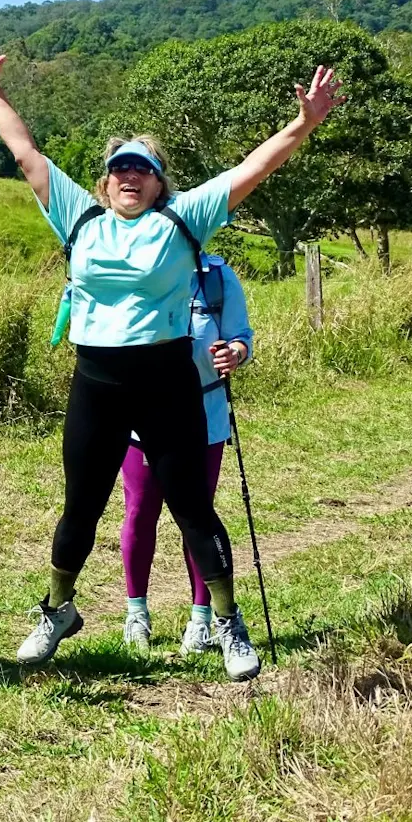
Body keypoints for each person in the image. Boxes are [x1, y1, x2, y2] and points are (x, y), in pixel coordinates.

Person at [0, 33, 342, 683]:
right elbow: (25, 152)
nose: (128, 176)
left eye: (141, 168)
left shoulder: (182, 220)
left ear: (160, 182)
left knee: (193, 507)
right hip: (97, 384)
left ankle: (226, 621)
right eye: (119, 169)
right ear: (104, 181)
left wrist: (302, 125)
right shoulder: (78, 217)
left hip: (168, 383)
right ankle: (56, 609)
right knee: (80, 507)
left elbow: (254, 168)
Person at [119, 248, 254, 654]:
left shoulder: (218, 277)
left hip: (205, 416)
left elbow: (241, 338)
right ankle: (136, 615)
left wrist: (235, 354)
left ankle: (201, 620)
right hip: (141, 417)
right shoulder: (135, 268)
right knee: (140, 511)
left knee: (196, 516)